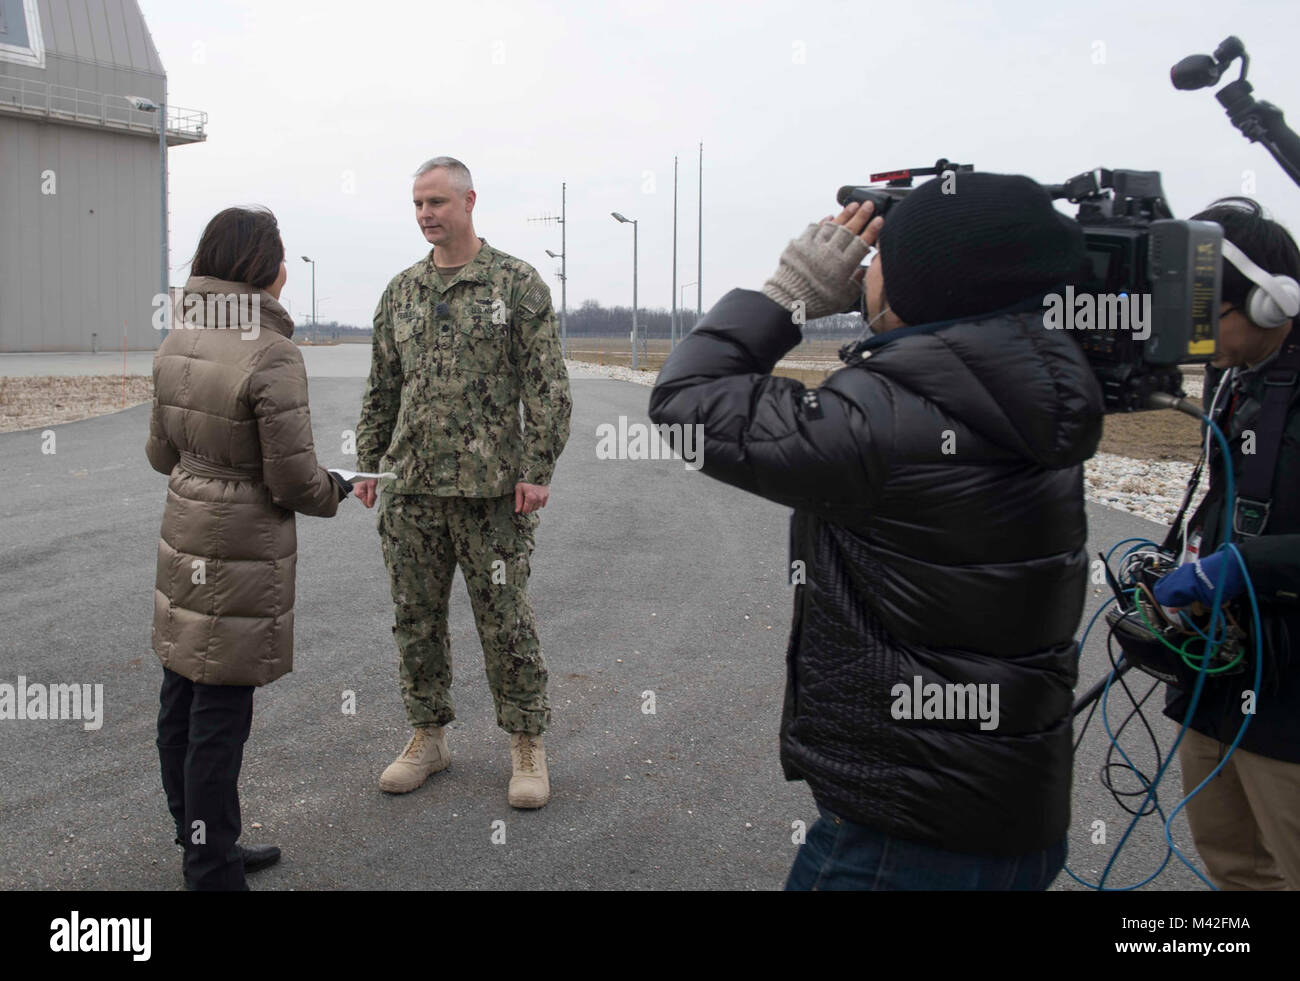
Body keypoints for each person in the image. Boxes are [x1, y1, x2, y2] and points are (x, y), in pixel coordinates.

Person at [649, 172, 1105, 889]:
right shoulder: (1035, 382)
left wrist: (790, 292)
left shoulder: (894, 416)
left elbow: (689, 402)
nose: (860, 267)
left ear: (923, 285)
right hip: (1004, 812)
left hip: (909, 836)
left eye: (881, 255)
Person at [353, 156, 571, 808]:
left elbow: (548, 388)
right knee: (415, 620)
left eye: (437, 202)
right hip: (413, 491)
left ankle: (527, 743)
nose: (426, 214)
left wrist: (537, 470)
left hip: (492, 496)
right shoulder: (400, 293)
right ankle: (428, 735)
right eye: (418, 203)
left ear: (470, 201)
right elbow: (382, 389)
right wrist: (368, 464)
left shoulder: (517, 284)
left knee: (505, 622)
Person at [146, 206, 351, 890]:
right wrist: (339, 488)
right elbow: (293, 479)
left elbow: (159, 453)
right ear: (267, 269)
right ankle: (210, 867)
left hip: (184, 531)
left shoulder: (178, 338)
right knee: (220, 717)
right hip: (238, 543)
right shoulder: (271, 352)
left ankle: (202, 839)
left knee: (183, 695)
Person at [1154, 197, 1300, 890]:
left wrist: (1246, 564)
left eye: (1213, 309)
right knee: (1232, 859)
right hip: (1219, 677)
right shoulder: (1233, 377)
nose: (1196, 327)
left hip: (1292, 699)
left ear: (1272, 304)